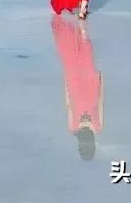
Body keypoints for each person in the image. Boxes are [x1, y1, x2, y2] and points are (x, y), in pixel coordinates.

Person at [52, 14, 104, 161]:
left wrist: (66, 81)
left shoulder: (73, 128)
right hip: (90, 88)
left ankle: (77, 25)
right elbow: (100, 104)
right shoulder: (97, 128)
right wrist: (101, 81)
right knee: (86, 50)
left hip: (75, 87)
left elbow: (68, 105)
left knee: (79, 54)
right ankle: (81, 24)